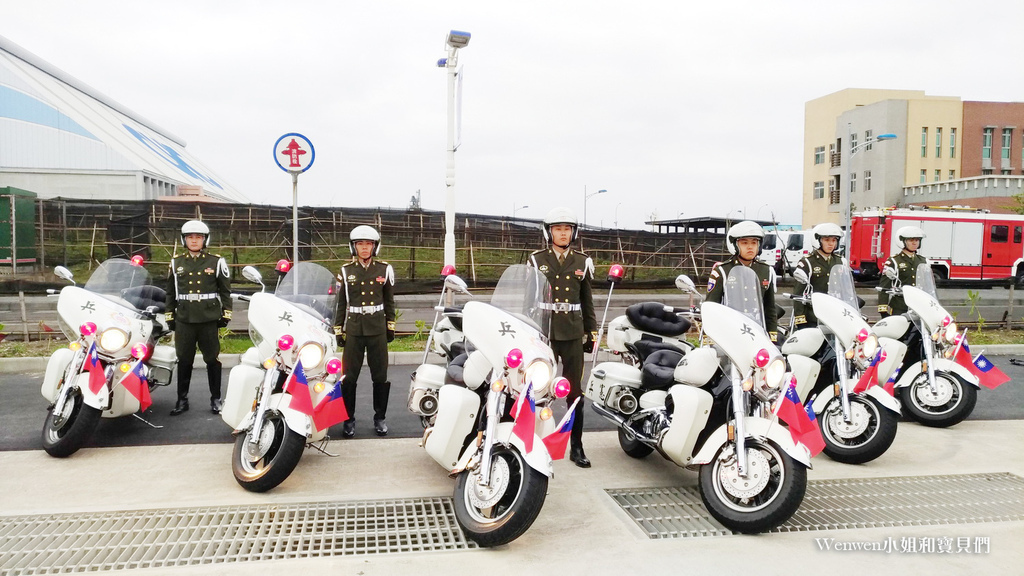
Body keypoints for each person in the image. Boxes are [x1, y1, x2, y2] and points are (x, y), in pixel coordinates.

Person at [528, 207, 598, 468]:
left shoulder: (582, 261)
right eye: (558, 228)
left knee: (574, 392)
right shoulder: (536, 260)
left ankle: (576, 446)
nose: (563, 233)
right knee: (535, 388)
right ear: (549, 232)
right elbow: (528, 300)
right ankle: (531, 443)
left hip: (572, 333)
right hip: (544, 333)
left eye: (567, 229)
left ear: (573, 232)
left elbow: (587, 301)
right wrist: (528, 331)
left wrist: (591, 332)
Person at [334, 225, 396, 437]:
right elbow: (341, 303)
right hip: (354, 329)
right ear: (353, 247)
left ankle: (380, 418)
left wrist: (390, 325)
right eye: (360, 244)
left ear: (375, 247)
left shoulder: (384, 269)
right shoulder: (346, 270)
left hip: (377, 328)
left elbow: (389, 301)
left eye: (368, 244)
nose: (364, 248)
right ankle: (348, 419)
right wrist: (338, 329)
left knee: (380, 377)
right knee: (349, 378)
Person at [165, 220, 232, 415]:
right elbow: (170, 292)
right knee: (184, 360)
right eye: (190, 237)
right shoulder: (176, 262)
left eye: (198, 237)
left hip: (208, 318)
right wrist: (170, 315)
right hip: (184, 318)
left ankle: (216, 399)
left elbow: (225, 291)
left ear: (205, 240)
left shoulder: (216, 261)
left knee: (212, 359)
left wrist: (226, 313)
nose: (194, 241)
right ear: (184, 240)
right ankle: (181, 400)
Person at [706, 220, 779, 342]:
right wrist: (710, 338)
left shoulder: (766, 270)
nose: (750, 247)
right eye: (744, 243)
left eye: (754, 242)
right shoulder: (722, 271)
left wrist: (772, 336)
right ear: (734, 245)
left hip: (758, 331)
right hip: (730, 331)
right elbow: (711, 307)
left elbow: (769, 308)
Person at [792, 222, 844, 327]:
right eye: (827, 240)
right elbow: (798, 294)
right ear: (817, 240)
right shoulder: (807, 262)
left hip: (835, 316)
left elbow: (846, 289)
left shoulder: (841, 261)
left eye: (834, 240)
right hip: (813, 317)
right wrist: (801, 320)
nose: (831, 244)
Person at [877, 225, 928, 317]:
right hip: (900, 306)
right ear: (903, 242)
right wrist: (883, 309)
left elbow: (927, 285)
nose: (914, 243)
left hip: (918, 305)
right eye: (911, 240)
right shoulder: (894, 261)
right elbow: (884, 286)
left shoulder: (923, 261)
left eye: (917, 240)